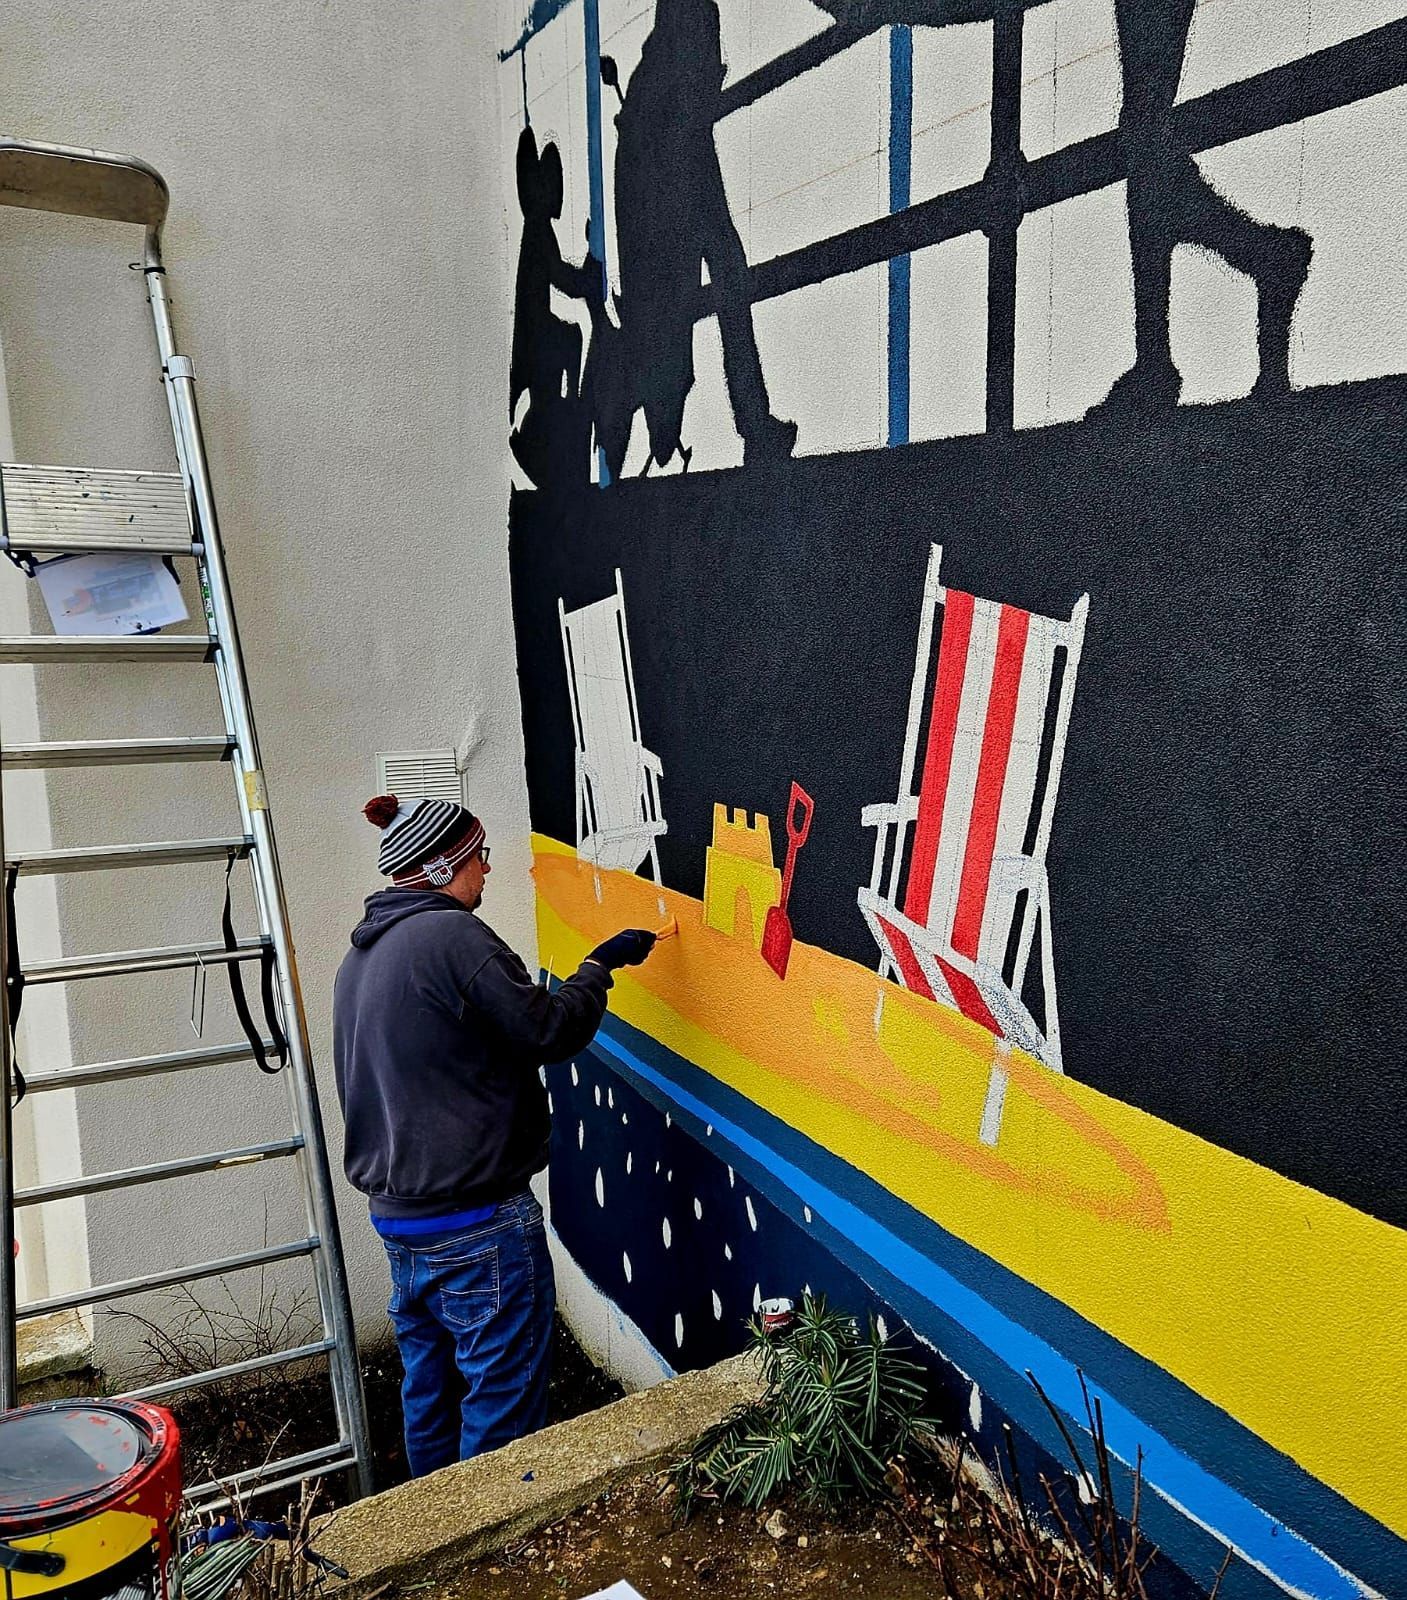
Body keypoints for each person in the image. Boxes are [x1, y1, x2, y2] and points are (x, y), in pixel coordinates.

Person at [332, 793, 656, 1476]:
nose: (487, 868)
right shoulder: (451, 936)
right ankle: (488, 1554)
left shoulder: (359, 962)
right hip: (476, 1227)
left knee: (432, 1389)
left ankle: (432, 1537)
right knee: (501, 1402)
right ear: (444, 862)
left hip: (403, 1224)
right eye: (479, 855)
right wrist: (597, 969)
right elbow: (547, 1029)